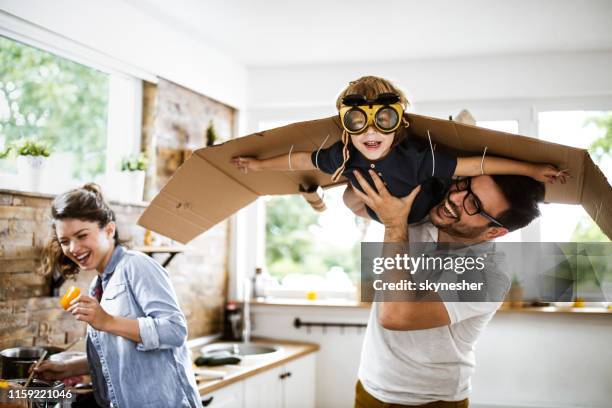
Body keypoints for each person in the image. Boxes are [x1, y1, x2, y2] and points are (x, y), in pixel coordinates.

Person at [231, 76, 566, 225]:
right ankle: (320, 201)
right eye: (359, 120)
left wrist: (532, 170)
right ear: (347, 124)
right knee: (349, 199)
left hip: (421, 211)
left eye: (384, 119)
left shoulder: (418, 157)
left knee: (448, 177)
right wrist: (259, 165)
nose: (372, 131)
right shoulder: (345, 153)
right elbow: (301, 158)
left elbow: (477, 164)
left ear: (400, 124)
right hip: (374, 212)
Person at [350, 169, 545, 407]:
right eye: (464, 185)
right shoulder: (422, 215)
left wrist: (394, 224)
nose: (455, 198)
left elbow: (396, 315)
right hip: (371, 387)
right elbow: (354, 202)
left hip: (434, 400)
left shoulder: (489, 275)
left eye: (473, 203)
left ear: (494, 231)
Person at [35, 184, 202, 408]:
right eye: (65, 241)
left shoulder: (137, 265)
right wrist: (67, 369)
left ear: (109, 230)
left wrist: (108, 321)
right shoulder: (99, 285)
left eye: (82, 235)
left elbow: (175, 330)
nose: (73, 248)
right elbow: (119, 354)